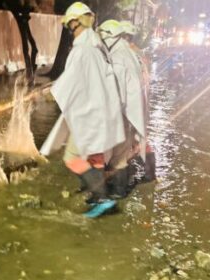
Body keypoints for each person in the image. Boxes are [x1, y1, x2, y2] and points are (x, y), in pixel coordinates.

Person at [41, 2, 126, 218]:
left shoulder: (82, 50)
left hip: (91, 115)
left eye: (70, 25)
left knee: (71, 158)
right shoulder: (98, 47)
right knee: (95, 158)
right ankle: (97, 195)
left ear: (74, 23)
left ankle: (103, 199)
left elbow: (70, 81)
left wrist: (52, 91)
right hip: (104, 113)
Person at [97, 20, 155, 198]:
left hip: (123, 114)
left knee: (118, 158)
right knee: (123, 154)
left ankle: (117, 192)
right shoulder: (129, 54)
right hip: (133, 111)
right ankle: (136, 181)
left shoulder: (118, 57)